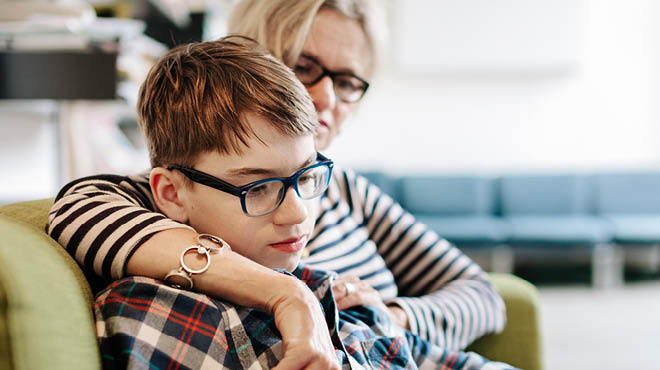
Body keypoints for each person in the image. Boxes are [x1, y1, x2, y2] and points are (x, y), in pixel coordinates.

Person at [48, 0, 506, 367]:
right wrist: (288, 293)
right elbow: (78, 209)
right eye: (305, 68)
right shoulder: (186, 190)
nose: (325, 96)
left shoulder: (346, 189)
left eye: (346, 80)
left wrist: (390, 316)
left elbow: (481, 294)